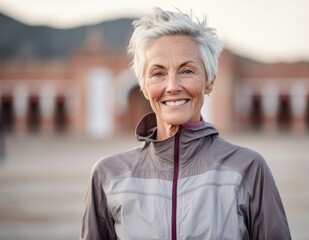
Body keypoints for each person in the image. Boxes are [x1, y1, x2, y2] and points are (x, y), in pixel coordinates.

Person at [80, 7, 291, 240]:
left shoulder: (248, 169)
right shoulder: (108, 176)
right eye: (158, 73)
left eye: (187, 70)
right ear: (143, 86)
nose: (172, 86)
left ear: (209, 81)